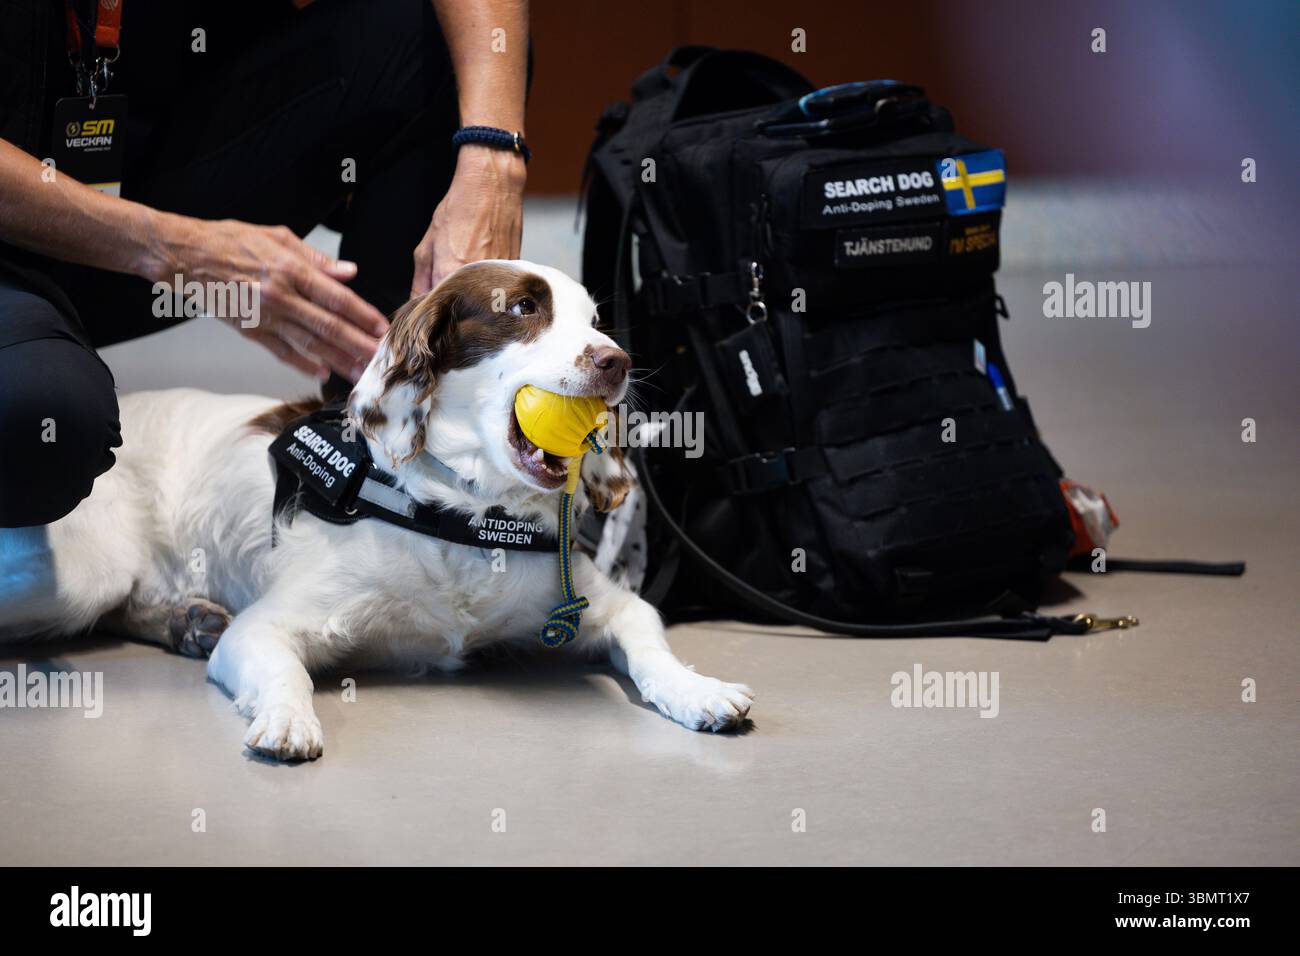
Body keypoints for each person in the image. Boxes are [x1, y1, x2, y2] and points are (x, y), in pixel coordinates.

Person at [0, 0, 531, 527]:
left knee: (431, 40)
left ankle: (377, 457)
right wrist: (172, 247)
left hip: (136, 159)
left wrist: (492, 157)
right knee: (43, 421)